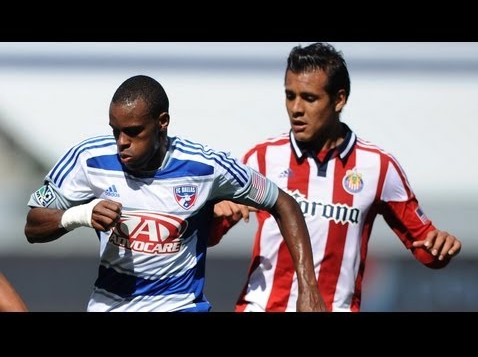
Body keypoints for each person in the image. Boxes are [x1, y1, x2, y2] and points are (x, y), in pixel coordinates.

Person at [24, 75, 325, 312]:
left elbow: (283, 203)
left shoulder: (206, 167)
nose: (121, 142)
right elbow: (33, 226)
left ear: (162, 123)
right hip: (110, 304)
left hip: (180, 306)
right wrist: (80, 215)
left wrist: (309, 289)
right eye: (115, 131)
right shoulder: (88, 159)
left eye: (133, 131)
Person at [209, 42, 462, 312]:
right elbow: (210, 236)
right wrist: (216, 214)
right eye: (290, 95)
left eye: (309, 98)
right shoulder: (260, 159)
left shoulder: (378, 167)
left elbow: (425, 248)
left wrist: (441, 247)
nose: (296, 108)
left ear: (339, 99)